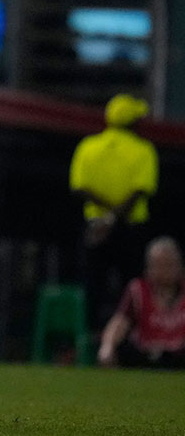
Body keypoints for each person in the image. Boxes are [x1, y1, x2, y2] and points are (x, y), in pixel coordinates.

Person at [70, 93, 158, 328]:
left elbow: (79, 188)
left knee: (93, 286)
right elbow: (141, 190)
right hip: (130, 229)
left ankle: (92, 338)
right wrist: (115, 216)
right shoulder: (143, 150)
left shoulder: (88, 147)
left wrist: (105, 215)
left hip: (96, 228)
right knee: (131, 287)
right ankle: (131, 338)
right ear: (133, 123)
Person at [97, 236, 185, 369]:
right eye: (158, 265)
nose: (164, 271)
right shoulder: (137, 290)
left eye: (169, 264)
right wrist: (107, 346)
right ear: (148, 268)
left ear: (180, 266)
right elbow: (120, 321)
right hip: (144, 357)